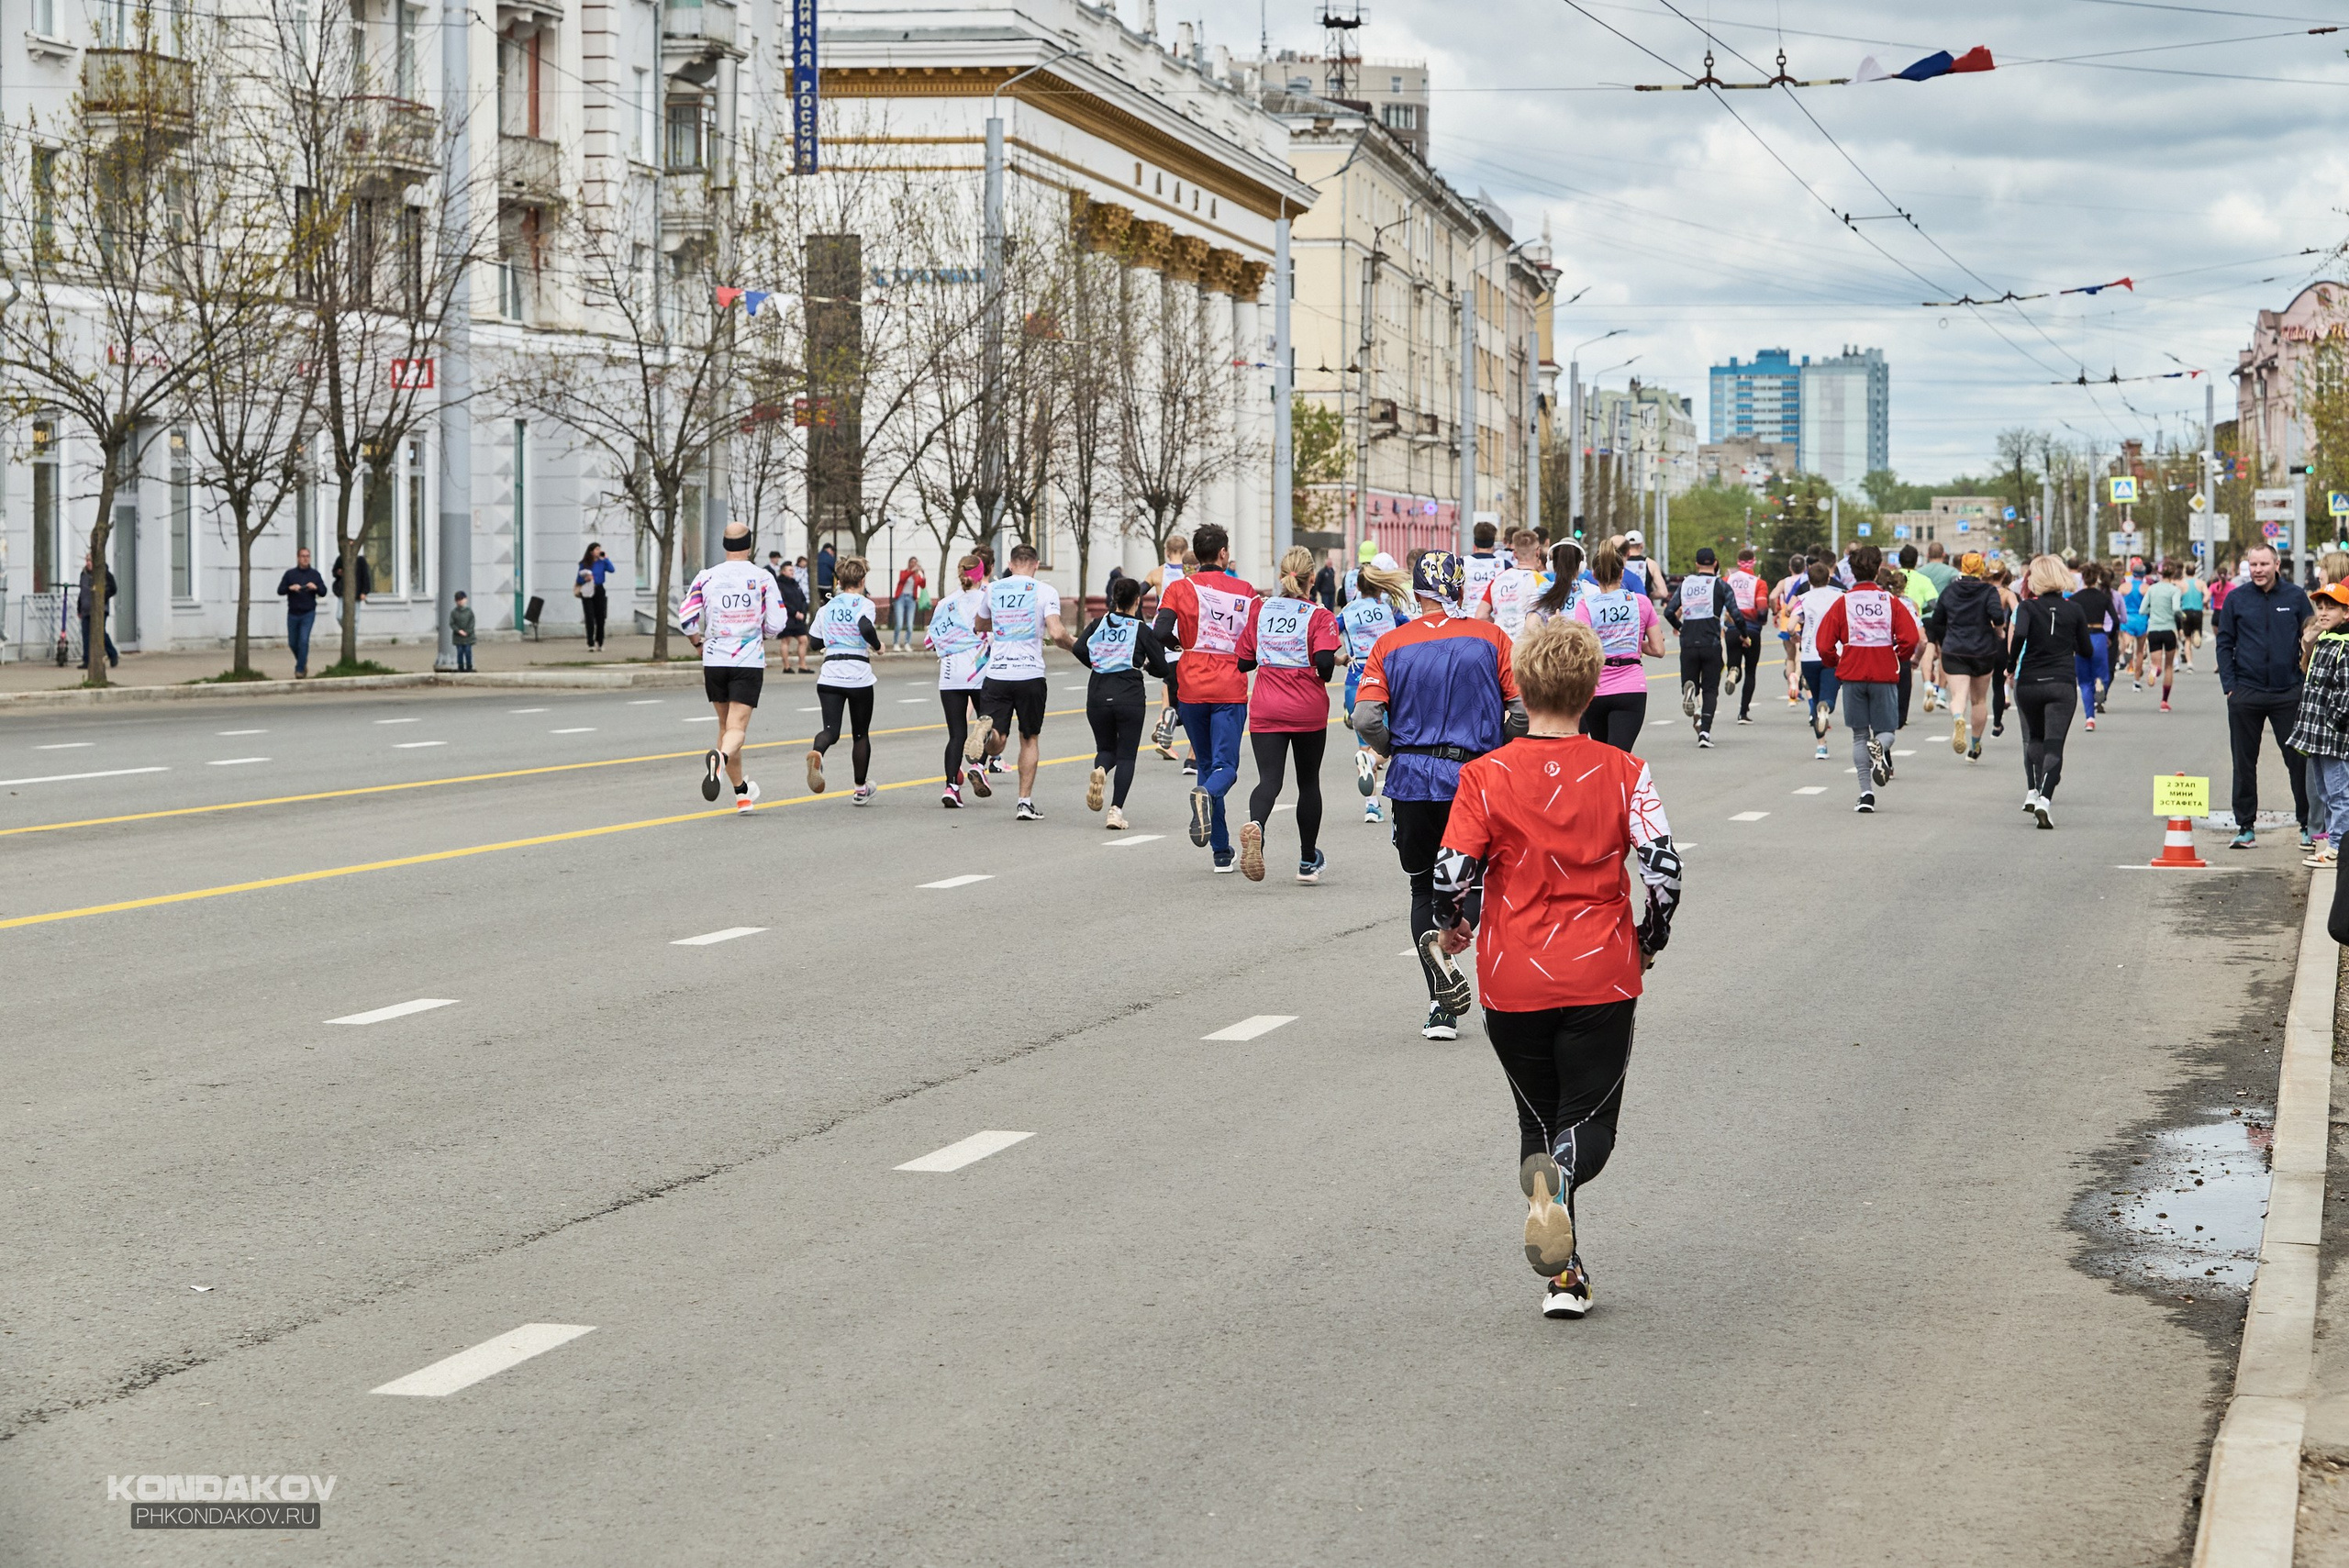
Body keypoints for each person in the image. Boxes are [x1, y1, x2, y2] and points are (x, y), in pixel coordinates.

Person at [1426, 617, 1682, 1321]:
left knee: (1536, 1122)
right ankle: (1561, 1189)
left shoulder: (1484, 775)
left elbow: (1451, 873)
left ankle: (1566, 1276)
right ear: (1592, 686)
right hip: (1600, 968)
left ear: (1522, 686)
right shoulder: (1625, 770)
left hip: (1512, 975)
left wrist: (1455, 924)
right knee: (1589, 1121)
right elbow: (1663, 867)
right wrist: (1648, 939)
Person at [1352, 550, 1527, 1040]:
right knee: (1479, 874)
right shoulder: (1491, 638)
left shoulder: (1390, 643)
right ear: (1460, 589)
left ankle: (1440, 1007)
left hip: (1412, 778)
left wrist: (1399, 750)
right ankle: (1454, 938)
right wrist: (1501, 748)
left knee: (1421, 887)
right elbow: (1522, 713)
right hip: (1474, 774)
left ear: (1418, 590)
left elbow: (1365, 719)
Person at [1237, 546, 1343, 883]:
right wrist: (1324, 670)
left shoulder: (1261, 609)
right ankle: (1308, 860)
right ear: (1313, 579)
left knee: (1269, 780)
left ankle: (1256, 824)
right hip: (1307, 710)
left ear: (1281, 575)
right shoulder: (1320, 616)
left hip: (1266, 708)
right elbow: (1326, 663)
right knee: (1308, 783)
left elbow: (1243, 661)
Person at [1154, 525, 1255, 864]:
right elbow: (1254, 643)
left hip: (1191, 685)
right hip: (1229, 686)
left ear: (1196, 556)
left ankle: (1221, 853)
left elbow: (1160, 632)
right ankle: (1207, 797)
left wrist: (1179, 645)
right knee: (1225, 769)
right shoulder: (1245, 591)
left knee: (1206, 764)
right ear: (1223, 554)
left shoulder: (1179, 588)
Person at [678, 522, 786, 815]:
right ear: (749, 545)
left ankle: (741, 795)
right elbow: (777, 624)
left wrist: (697, 643)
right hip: (746, 658)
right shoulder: (763, 578)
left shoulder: (707, 576)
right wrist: (761, 629)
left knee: (726, 727)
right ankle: (721, 758)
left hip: (714, 658)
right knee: (736, 728)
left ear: (725, 546)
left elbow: (686, 617)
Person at [2217, 542, 2314, 849]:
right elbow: (2224, 643)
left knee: (2298, 762)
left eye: (2263, 564)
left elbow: (2311, 637)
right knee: (2244, 762)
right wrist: (2231, 686)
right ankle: (2245, 826)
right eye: (2253, 565)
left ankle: (2307, 825)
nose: (2257, 570)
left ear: (2276, 565)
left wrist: (2302, 682)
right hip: (2246, 692)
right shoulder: (2236, 599)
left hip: (2288, 693)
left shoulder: (2296, 597)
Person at [1810, 546, 1921, 813]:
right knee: (1887, 732)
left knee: (1859, 735)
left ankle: (1866, 794)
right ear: (1878, 568)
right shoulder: (1890, 602)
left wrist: (1837, 662)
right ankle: (1880, 747)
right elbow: (1911, 638)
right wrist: (1898, 655)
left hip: (1853, 674)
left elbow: (1824, 644)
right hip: (1884, 672)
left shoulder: (1843, 602)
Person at [970, 543, 1074, 821]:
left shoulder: (993, 589)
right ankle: (1024, 803)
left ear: (1012, 564)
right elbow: (1057, 632)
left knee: (999, 742)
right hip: (1029, 675)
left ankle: (985, 734)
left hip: (997, 674)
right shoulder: (1045, 591)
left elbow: (979, 625)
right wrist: (1077, 646)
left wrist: (1005, 623)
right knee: (1029, 738)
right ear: (1036, 564)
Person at [1073, 574, 1171, 830]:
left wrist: (1097, 663)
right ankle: (1115, 811)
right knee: (1127, 755)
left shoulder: (1097, 624)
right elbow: (1162, 666)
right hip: (1129, 695)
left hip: (1097, 694)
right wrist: (1147, 667)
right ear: (1137, 601)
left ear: (1114, 599)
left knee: (1106, 749)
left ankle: (1102, 769)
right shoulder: (1140, 629)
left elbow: (1079, 649)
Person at [2010, 554, 2095, 828]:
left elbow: (2020, 634)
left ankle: (2033, 791)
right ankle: (2045, 798)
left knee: (2035, 737)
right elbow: (2086, 650)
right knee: (2054, 744)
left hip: (2029, 683)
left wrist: (2011, 665)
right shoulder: (2074, 610)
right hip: (2061, 683)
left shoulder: (2026, 608)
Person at [1571, 542, 1664, 752]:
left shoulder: (1585, 606)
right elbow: (1658, 650)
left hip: (1596, 689)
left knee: (1603, 757)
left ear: (1594, 574)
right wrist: (1631, 640)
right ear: (1622, 573)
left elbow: (1583, 651)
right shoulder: (1640, 602)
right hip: (1630, 687)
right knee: (1620, 756)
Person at [805, 555, 884, 806]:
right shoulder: (864, 604)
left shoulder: (826, 608)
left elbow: (814, 642)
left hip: (829, 675)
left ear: (839, 580)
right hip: (857, 675)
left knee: (831, 730)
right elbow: (865, 627)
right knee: (860, 734)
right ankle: (860, 789)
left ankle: (818, 752)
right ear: (861, 580)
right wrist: (878, 646)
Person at [1341, 553, 1412, 825]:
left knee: (1365, 744)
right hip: (1384, 681)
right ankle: (1371, 767)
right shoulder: (1390, 611)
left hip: (1354, 681)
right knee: (1389, 742)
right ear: (1380, 586)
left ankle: (1372, 806)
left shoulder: (1346, 613)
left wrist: (1338, 657)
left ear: (1357, 588)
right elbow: (1411, 631)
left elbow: (1328, 636)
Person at [1920, 551, 2009, 762]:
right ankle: (1975, 745)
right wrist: (1999, 631)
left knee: (1958, 696)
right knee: (1979, 700)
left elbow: (1938, 618)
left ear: (1962, 567)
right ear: (1981, 569)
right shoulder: (1988, 591)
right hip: (1982, 650)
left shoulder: (1950, 591)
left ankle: (1958, 717)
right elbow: (1997, 616)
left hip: (1955, 649)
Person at [2290, 583, 2349, 867]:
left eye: (2331, 608)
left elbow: (2346, 693)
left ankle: (2338, 847)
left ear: (2346, 613)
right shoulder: (2325, 640)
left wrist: (2334, 723)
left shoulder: (2344, 647)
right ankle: (2333, 844)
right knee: (2326, 792)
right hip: (2316, 735)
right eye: (2321, 607)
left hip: (2333, 737)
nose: (2323, 613)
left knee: (2339, 794)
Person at [927, 554, 991, 808]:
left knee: (956, 735)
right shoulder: (989, 598)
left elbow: (930, 640)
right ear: (981, 574)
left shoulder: (945, 603)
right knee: (985, 725)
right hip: (980, 670)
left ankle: (952, 787)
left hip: (950, 674)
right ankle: (978, 766)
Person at [1664, 546, 1734, 748]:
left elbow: (1669, 611)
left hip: (1688, 642)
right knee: (1711, 689)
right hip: (1711, 642)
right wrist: (1745, 634)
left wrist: (1681, 627)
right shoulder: (1720, 585)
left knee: (1690, 681)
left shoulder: (1686, 584)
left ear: (1696, 564)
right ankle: (1704, 732)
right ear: (1714, 563)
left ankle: (1692, 700)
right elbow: (1735, 613)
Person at [1793, 560, 1845, 761]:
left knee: (1814, 697)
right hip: (1833, 652)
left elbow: (1790, 626)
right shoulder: (1839, 597)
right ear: (1829, 578)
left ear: (1810, 580)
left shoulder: (1803, 599)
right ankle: (1827, 707)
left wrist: (1796, 635)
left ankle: (1821, 746)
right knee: (1829, 695)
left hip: (1808, 655)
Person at [1146, 532, 1190, 761]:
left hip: (1162, 632)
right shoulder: (1190, 574)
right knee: (1185, 687)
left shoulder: (1157, 574)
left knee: (1169, 681)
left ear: (1165, 551)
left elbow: (1136, 594)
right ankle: (1171, 721)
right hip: (1184, 634)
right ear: (1186, 551)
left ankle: (1164, 722)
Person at [1475, 528, 1548, 644]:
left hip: (1501, 644)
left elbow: (1481, 615)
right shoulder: (1542, 582)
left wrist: (1499, 623)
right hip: (1528, 647)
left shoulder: (1498, 580)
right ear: (1538, 552)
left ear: (1514, 554)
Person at [2069, 561, 2117, 732]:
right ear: (2097, 578)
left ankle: (2090, 719)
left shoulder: (2074, 599)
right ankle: (2100, 683)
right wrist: (2110, 637)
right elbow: (2116, 620)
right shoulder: (2104, 597)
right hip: (2099, 637)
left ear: (2082, 578)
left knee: (2083, 682)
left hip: (2082, 639)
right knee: (2102, 674)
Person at [1722, 547, 1768, 721]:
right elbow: (1762, 608)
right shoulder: (1759, 583)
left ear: (1738, 562)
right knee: (1750, 671)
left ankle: (1733, 673)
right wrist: (1760, 621)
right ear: (1753, 562)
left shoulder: (1727, 580)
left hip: (1732, 628)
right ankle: (1743, 712)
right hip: (1752, 629)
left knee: (1734, 663)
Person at [1897, 543, 1941, 722]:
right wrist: (1920, 606)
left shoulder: (1892, 577)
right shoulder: (1923, 580)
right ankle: (1902, 711)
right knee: (1907, 668)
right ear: (1916, 561)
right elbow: (1933, 603)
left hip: (1891, 626)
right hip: (1914, 625)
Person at [276, 547, 326, 677]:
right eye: (303, 556)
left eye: (308, 556)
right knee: (293, 642)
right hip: (293, 613)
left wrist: (315, 587)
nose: (305, 559)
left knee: (303, 640)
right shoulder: (290, 574)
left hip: (308, 612)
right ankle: (302, 660)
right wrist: (290, 588)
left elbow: (323, 591)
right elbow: (280, 590)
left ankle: (299, 669)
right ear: (298, 558)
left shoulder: (314, 574)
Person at [2143, 559, 2184, 711]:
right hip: (2169, 629)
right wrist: (2181, 615)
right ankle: (2164, 701)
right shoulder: (2174, 590)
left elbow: (2142, 609)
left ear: (2159, 572)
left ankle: (2155, 670)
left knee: (2156, 663)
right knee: (2169, 666)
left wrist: (2153, 612)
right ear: (2173, 573)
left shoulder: (2152, 589)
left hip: (2153, 629)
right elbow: (2175, 609)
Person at [1770, 553, 1809, 706]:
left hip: (1786, 622)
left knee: (1790, 658)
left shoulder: (1784, 582)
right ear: (1804, 567)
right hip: (1800, 621)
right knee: (1799, 656)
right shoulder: (1805, 581)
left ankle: (1792, 695)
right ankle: (1797, 678)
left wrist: (1775, 611)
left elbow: (1773, 596)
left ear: (1790, 567)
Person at [1526, 540, 1584, 631]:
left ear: (1551, 566)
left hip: (1552, 644)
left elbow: (1530, 628)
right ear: (1581, 566)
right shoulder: (1592, 591)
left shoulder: (1541, 591)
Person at [76, 551, 119, 669]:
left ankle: (112, 654)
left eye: (90, 561)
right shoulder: (84, 574)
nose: (88, 563)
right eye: (87, 560)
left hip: (100, 609)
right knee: (86, 635)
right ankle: (87, 660)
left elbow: (113, 589)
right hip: (85, 609)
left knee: (100, 633)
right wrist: (79, 607)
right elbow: (82, 593)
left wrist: (102, 598)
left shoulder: (104, 574)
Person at [774, 557, 811, 673]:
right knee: (786, 641)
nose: (792, 572)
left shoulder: (795, 584)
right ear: (783, 571)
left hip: (799, 618)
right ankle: (786, 666)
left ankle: (802, 665)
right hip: (788, 617)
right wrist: (794, 612)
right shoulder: (779, 585)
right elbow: (782, 602)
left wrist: (803, 612)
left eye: (793, 570)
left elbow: (803, 599)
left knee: (803, 640)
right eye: (790, 570)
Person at [574, 543, 614, 651]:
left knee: (600, 617)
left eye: (599, 549)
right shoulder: (585, 563)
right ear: (591, 552)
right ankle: (590, 643)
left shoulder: (602, 562)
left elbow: (612, 570)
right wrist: (585, 579)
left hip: (599, 589)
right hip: (587, 590)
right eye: (597, 549)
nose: (599, 551)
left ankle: (600, 642)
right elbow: (578, 579)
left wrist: (606, 559)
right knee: (589, 617)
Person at [1464, 518, 1506, 610]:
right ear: (1493, 541)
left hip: (1468, 615)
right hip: (1492, 616)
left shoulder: (1462, 563)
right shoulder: (1504, 565)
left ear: (1475, 541)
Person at [891, 556, 927, 651]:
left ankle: (907, 643)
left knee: (910, 625)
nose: (914, 564)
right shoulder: (904, 572)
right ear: (909, 563)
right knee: (899, 623)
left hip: (911, 599)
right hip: (901, 598)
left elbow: (923, 585)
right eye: (912, 562)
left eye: (915, 562)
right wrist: (911, 571)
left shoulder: (916, 576)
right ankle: (896, 643)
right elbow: (902, 579)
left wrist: (923, 573)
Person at [2180, 563, 2208, 667]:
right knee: (2196, 635)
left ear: (2185, 571)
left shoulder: (2182, 583)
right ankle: (2197, 635)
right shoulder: (2201, 583)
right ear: (2195, 571)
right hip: (2197, 611)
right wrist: (2203, 601)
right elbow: (2207, 594)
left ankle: (2189, 663)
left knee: (2187, 639)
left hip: (2185, 612)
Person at [450, 591, 476, 672]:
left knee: (468, 652)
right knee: (460, 653)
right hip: (458, 637)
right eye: (458, 600)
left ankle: (469, 667)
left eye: (462, 599)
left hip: (468, 637)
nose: (460, 602)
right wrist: (459, 631)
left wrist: (467, 632)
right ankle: (460, 667)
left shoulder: (469, 611)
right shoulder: (454, 612)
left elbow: (472, 622)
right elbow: (452, 623)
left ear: (466, 599)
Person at [815, 541, 837, 605]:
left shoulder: (816, 556)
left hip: (816, 585)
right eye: (832, 551)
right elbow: (836, 570)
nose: (833, 553)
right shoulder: (829, 558)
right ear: (828, 549)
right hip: (826, 585)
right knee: (830, 603)